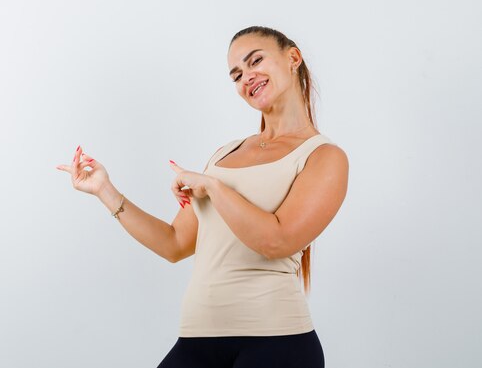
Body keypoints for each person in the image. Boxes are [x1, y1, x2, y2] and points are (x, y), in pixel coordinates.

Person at [56, 26, 349, 368]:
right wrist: (105, 190)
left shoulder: (324, 156)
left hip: (277, 343)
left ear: (293, 58)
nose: (247, 77)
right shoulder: (225, 154)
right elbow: (174, 243)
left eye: (256, 61)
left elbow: (277, 241)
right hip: (197, 340)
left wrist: (213, 187)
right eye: (236, 74)